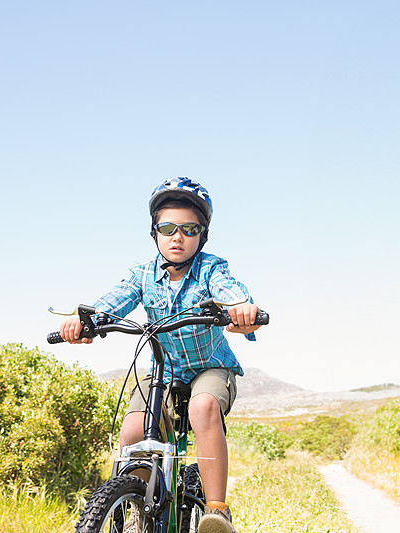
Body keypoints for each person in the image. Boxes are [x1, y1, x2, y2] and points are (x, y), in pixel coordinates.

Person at [60, 177, 259, 533]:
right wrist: (85, 322)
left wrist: (241, 309)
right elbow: (115, 300)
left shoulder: (211, 268)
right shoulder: (142, 273)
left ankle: (217, 511)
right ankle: (136, 505)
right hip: (163, 369)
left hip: (209, 367)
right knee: (134, 429)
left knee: (203, 408)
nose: (177, 236)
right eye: (168, 228)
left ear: (203, 235)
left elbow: (230, 292)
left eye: (189, 228)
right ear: (155, 233)